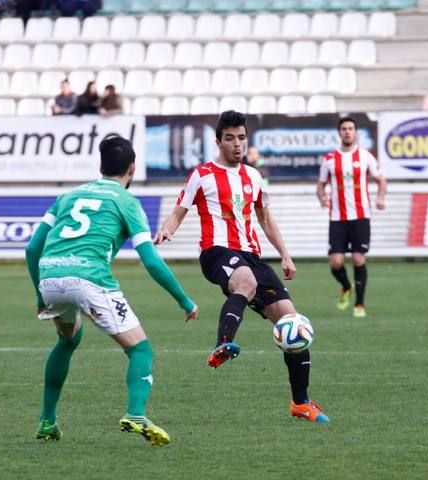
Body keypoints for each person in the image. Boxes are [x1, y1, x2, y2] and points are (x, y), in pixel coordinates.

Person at [154, 110, 330, 424]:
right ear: (218, 141)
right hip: (216, 252)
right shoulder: (202, 175)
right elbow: (178, 212)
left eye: (242, 138)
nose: (238, 144)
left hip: (252, 255)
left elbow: (265, 219)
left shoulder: (253, 176)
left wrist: (285, 254)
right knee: (245, 282)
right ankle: (223, 344)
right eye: (231, 138)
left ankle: (301, 403)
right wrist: (168, 229)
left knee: (293, 322)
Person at [25, 135, 198, 445]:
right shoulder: (127, 201)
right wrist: (184, 301)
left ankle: (47, 422)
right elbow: (151, 261)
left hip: (50, 276)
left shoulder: (68, 196)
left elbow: (33, 247)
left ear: (100, 166)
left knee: (68, 340)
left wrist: (40, 294)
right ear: (131, 169)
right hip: (89, 279)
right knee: (140, 349)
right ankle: (135, 413)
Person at [316, 116, 386, 318]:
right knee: (336, 262)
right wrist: (322, 198)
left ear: (355, 133)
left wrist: (380, 198)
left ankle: (359, 305)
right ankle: (346, 286)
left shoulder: (365, 156)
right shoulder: (329, 159)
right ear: (340, 132)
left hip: (361, 216)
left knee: (357, 259)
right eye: (344, 129)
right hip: (337, 218)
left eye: (351, 128)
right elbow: (320, 185)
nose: (347, 132)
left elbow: (381, 180)